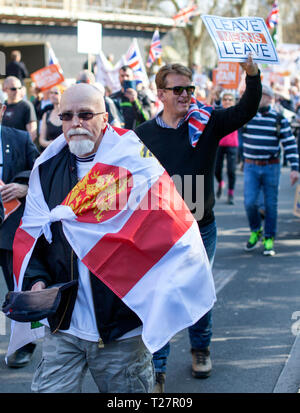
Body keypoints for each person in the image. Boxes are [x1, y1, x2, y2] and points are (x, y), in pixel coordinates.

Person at [14, 82, 215, 393]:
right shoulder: (45, 169)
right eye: (66, 116)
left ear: (105, 118)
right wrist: (37, 281)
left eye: (85, 114)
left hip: (120, 330)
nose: (75, 123)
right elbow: (34, 237)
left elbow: (169, 232)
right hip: (63, 325)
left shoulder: (135, 163)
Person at [135, 55, 262, 392]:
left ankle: (201, 350)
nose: (185, 94)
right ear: (160, 93)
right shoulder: (143, 135)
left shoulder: (206, 124)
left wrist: (252, 76)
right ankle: (158, 367)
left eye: (189, 88)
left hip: (200, 229)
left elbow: (244, 110)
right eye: (177, 89)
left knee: (198, 294)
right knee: (160, 298)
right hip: (160, 232)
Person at [0, 93, 39, 367]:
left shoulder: (19, 138)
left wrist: (25, 187)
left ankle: (25, 342)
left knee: (21, 286)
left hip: (12, 227)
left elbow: (40, 171)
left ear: (2, 110)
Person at [242, 84, 299, 256]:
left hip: (271, 166)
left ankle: (269, 238)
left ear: (270, 98)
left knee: (270, 205)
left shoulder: (279, 119)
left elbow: (289, 143)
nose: (260, 97)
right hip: (250, 166)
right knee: (250, 203)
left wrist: (295, 168)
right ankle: (255, 230)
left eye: (264, 94)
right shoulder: (246, 115)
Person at [215, 91, 239, 204]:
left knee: (231, 171)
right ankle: (220, 182)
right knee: (217, 170)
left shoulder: (236, 112)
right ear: (222, 101)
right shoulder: (218, 112)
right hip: (219, 144)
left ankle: (230, 194)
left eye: (230, 99)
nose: (227, 101)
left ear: (234, 102)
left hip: (232, 145)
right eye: (225, 99)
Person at [2, 76, 37, 142]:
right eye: (13, 89)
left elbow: (32, 133)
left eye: (19, 88)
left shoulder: (26, 106)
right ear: (5, 89)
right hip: (4, 149)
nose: (17, 91)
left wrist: (22, 149)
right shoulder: (2, 107)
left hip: (21, 148)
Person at [38, 85, 63, 150]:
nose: (52, 95)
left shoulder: (69, 113)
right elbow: (41, 140)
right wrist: (52, 144)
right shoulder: (46, 114)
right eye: (51, 93)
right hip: (52, 153)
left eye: (56, 93)